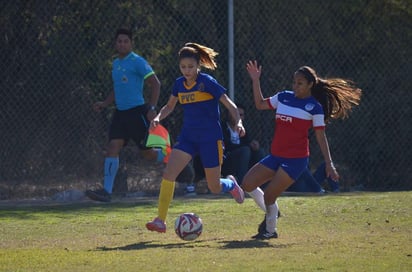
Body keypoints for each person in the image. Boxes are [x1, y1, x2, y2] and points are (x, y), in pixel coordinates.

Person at [243, 60, 362, 239]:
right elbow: (260, 104)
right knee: (247, 184)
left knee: (269, 195)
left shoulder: (315, 108)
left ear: (310, 85)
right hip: (276, 155)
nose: (295, 86)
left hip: (295, 160)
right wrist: (255, 80)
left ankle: (269, 230)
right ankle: (272, 212)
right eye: (294, 82)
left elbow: (321, 137)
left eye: (300, 83)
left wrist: (329, 164)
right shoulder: (283, 97)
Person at [146, 42, 246, 233]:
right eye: (183, 67)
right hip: (188, 137)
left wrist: (238, 122)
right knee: (169, 174)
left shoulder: (206, 82)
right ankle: (160, 220)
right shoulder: (178, 84)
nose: (187, 70)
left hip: (210, 138)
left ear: (198, 66)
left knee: (214, 186)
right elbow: (169, 106)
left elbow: (229, 104)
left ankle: (231, 184)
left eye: (190, 67)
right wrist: (158, 117)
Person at [85, 28, 163, 202]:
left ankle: (173, 157)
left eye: (125, 41)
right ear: (115, 43)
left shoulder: (137, 61)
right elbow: (117, 88)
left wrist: (152, 108)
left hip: (137, 113)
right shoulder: (115, 63)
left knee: (147, 154)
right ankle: (106, 191)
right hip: (120, 114)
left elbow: (155, 84)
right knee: (113, 147)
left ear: (131, 43)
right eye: (119, 41)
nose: (122, 44)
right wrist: (105, 103)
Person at [221, 104, 266, 185]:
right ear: (229, 114)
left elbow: (247, 141)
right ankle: (243, 184)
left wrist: (253, 144)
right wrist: (247, 146)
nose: (238, 117)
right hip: (228, 159)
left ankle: (263, 183)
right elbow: (227, 146)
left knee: (259, 152)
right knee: (245, 151)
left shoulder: (242, 128)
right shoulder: (223, 127)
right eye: (236, 114)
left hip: (243, 157)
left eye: (241, 115)